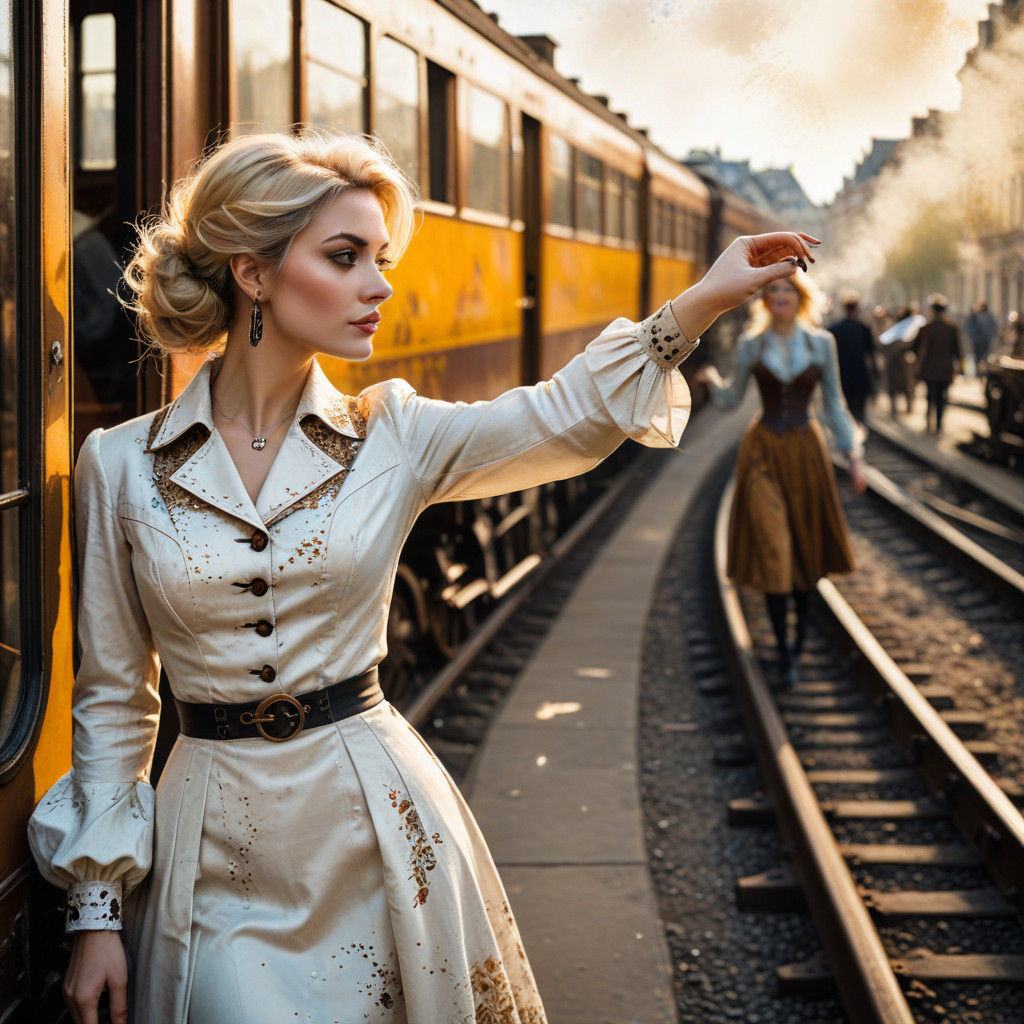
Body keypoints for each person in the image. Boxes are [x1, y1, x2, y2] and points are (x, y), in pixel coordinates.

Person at [26, 127, 818, 1024]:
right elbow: (113, 699)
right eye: (345, 256)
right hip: (210, 845)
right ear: (253, 273)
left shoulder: (392, 436)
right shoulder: (121, 464)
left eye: (381, 257)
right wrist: (96, 910)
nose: (380, 285)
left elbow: (560, 421)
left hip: (376, 827)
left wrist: (701, 303)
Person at [697, 272, 866, 686]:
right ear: (765, 299)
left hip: (806, 452)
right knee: (775, 549)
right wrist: (710, 383)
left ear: (801, 296)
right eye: (772, 290)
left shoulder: (821, 344)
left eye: (787, 289)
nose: (780, 296)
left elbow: (834, 404)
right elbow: (733, 399)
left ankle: (797, 645)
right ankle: (782, 650)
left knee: (805, 556)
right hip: (763, 454)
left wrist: (854, 456)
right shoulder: (751, 345)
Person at [912, 293, 967, 434]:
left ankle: (929, 421)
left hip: (929, 368)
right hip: (946, 369)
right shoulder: (952, 328)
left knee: (931, 395)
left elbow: (915, 348)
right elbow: (959, 351)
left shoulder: (926, 328)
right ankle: (939, 423)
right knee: (942, 396)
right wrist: (962, 369)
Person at [827, 291, 876, 425]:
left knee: (844, 409)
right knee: (859, 411)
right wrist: (875, 376)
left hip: (841, 375)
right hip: (860, 375)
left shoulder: (834, 329)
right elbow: (871, 354)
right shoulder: (864, 328)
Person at [963, 300, 998, 368]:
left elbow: (967, 328)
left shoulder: (973, 316)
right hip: (986, 342)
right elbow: (994, 329)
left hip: (977, 342)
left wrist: (973, 338)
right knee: (985, 358)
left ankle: (980, 372)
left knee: (978, 359)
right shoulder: (990, 317)